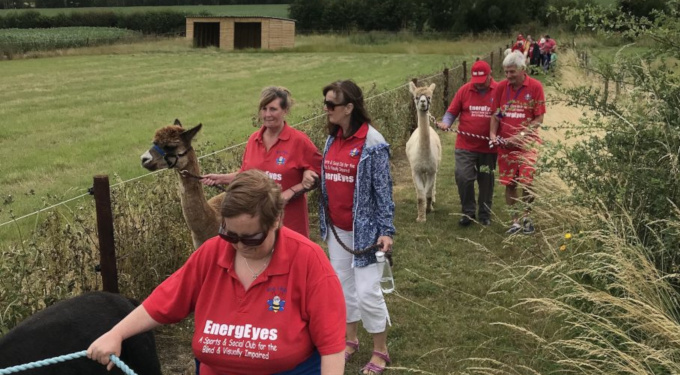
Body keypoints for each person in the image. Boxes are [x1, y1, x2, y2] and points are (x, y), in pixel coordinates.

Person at [87, 169, 346, 375]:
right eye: (229, 233)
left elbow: (331, 345)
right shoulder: (212, 253)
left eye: (251, 238)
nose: (238, 245)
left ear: (277, 220)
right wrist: (116, 334)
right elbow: (164, 301)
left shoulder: (308, 261)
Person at [318, 79, 395, 375]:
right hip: (336, 231)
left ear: (349, 108)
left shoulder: (372, 143)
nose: (326, 110)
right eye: (325, 104)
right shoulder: (331, 139)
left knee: (367, 292)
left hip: (365, 233)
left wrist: (386, 230)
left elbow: (383, 190)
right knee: (341, 288)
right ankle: (350, 340)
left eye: (331, 105)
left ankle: (380, 350)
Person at [202, 86, 321, 238]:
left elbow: (318, 172)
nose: (267, 114)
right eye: (264, 109)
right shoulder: (253, 140)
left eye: (273, 109)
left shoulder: (299, 141)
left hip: (290, 224)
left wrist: (291, 191)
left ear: (285, 111)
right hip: (257, 226)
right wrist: (221, 178)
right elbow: (247, 176)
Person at [489, 52, 546, 235]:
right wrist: (492, 134)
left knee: (527, 182)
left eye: (512, 72)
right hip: (506, 145)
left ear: (523, 70)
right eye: (506, 72)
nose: (508, 76)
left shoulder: (535, 87)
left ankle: (527, 218)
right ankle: (514, 221)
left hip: (528, 144)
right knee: (510, 182)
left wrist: (519, 136)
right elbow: (496, 114)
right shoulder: (501, 88)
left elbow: (538, 118)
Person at [437, 60, 498, 226]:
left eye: (482, 81)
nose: (478, 85)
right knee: (463, 177)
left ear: (489, 75)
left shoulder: (499, 90)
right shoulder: (465, 90)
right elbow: (451, 112)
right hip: (466, 146)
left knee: (486, 180)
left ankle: (485, 213)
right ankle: (468, 212)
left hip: (488, 148)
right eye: (475, 82)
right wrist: (446, 123)